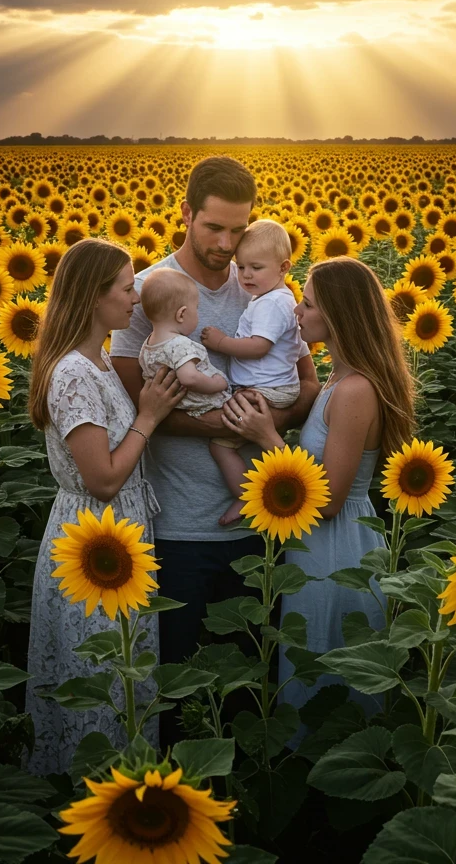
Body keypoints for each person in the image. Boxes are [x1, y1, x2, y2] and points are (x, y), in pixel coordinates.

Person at [111, 156, 320, 748]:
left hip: (260, 521)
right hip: (178, 525)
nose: (227, 245)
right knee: (179, 691)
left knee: (249, 687)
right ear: (185, 214)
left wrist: (263, 425)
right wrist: (226, 427)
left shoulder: (262, 286)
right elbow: (136, 407)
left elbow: (307, 385)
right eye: (213, 228)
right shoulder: (149, 291)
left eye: (238, 229)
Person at [219, 256, 416, 741]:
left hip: (338, 545)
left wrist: (268, 438)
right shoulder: (336, 380)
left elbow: (328, 498)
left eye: (306, 304)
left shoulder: (355, 390)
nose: (296, 313)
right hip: (321, 545)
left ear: (338, 315)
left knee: (330, 675)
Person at [25, 237, 185, 776]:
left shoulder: (97, 363)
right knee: (99, 675)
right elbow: (103, 478)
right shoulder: (73, 373)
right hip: (91, 542)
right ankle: (88, 803)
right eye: (125, 286)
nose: (136, 296)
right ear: (94, 296)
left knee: (123, 671)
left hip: (118, 536)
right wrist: (150, 415)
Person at [200, 219, 304, 526]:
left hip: (268, 390)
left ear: (284, 267)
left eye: (255, 268)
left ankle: (249, 498)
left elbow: (259, 346)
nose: (245, 275)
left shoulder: (272, 304)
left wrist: (221, 342)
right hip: (271, 386)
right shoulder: (271, 298)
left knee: (221, 445)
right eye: (241, 266)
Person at [138, 267, 234, 417]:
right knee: (240, 423)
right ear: (181, 314)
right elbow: (190, 378)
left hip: (178, 408)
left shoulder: (147, 346)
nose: (198, 314)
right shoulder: (179, 344)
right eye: (196, 308)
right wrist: (217, 383)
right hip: (207, 403)